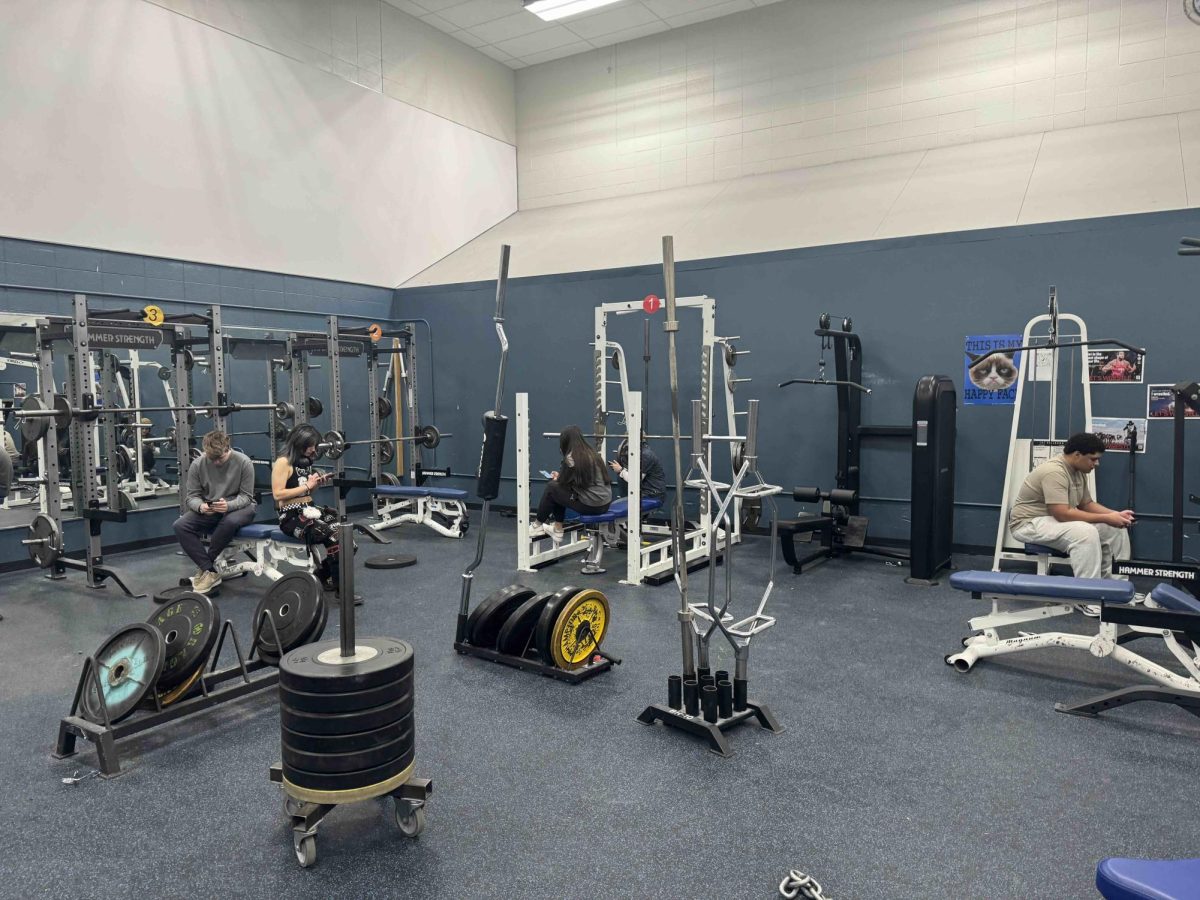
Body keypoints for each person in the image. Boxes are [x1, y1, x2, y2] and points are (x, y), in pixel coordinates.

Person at [1008, 432, 1133, 580]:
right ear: (1077, 455)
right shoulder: (1054, 471)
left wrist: (1116, 516)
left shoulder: (1079, 472)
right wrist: (1107, 518)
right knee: (1085, 532)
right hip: (1028, 523)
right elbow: (1062, 514)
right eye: (1093, 459)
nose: (1097, 464)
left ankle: (1115, 589)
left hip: (1053, 520)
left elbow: (1086, 504)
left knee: (1115, 529)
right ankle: (1087, 597)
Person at [173, 430, 257, 594]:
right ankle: (210, 570)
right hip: (211, 508)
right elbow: (191, 497)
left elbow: (246, 496)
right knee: (180, 525)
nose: (217, 462)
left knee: (229, 522)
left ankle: (206, 569)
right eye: (212, 459)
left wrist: (229, 506)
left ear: (228, 448)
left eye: (220, 458)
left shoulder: (244, 462)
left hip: (241, 507)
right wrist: (201, 507)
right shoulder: (197, 464)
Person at [272, 424, 342, 590]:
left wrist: (315, 483)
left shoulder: (304, 463)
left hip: (310, 509)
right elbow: (278, 494)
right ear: (299, 444)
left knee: (345, 538)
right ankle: (342, 590)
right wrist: (307, 486)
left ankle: (321, 576)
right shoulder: (283, 462)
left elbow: (306, 491)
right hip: (290, 517)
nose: (313, 450)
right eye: (311, 446)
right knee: (331, 536)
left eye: (314, 445)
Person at [535, 425, 612, 544]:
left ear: (565, 442)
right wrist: (560, 477)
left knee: (552, 488)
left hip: (592, 506)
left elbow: (561, 483)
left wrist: (558, 479)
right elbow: (578, 480)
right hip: (606, 504)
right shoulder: (593, 454)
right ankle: (557, 528)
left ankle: (537, 525)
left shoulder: (571, 457)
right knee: (557, 489)